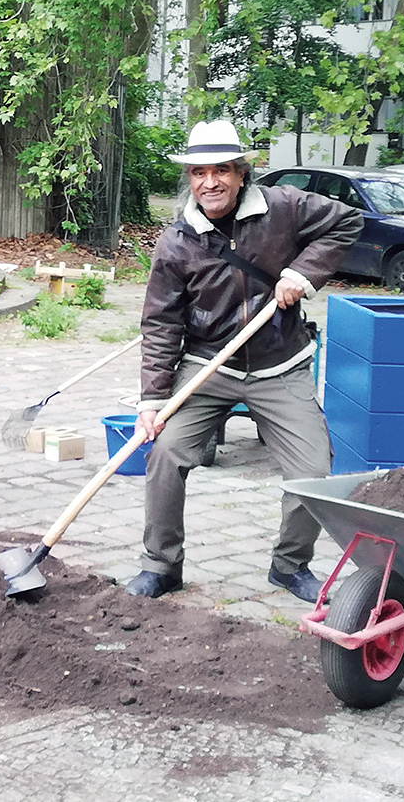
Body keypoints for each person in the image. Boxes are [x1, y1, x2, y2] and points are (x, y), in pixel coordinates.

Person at [127, 120, 362, 602]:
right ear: (189, 177)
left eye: (221, 170)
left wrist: (302, 271)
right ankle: (162, 565)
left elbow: (348, 221)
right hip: (207, 366)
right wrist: (151, 399)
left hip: (281, 364)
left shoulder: (283, 207)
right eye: (198, 172)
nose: (209, 182)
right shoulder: (177, 241)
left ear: (240, 173)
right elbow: (161, 324)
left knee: (313, 471)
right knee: (167, 453)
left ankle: (289, 566)